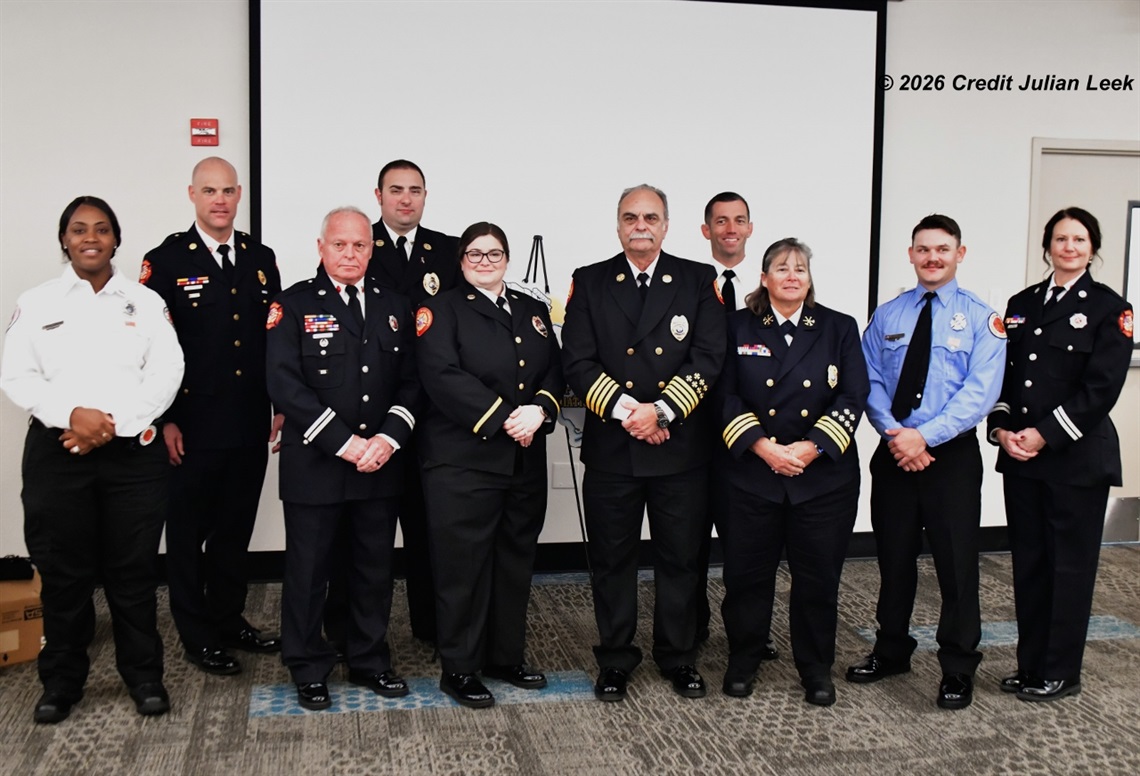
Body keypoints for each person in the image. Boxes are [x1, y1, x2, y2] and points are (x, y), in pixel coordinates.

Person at [1, 196, 184, 722]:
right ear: (65, 240)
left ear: (115, 240)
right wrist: (73, 416)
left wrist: (110, 428)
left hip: (131, 457)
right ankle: (61, 681)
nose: (90, 238)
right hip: (58, 452)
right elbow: (17, 376)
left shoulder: (145, 302)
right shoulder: (36, 302)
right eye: (79, 229)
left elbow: (167, 371)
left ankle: (144, 676)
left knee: (134, 574)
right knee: (64, 574)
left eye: (101, 229)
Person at [561, 184, 726, 702]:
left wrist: (664, 411)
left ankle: (678, 657)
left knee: (680, 558)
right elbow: (578, 362)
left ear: (666, 225)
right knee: (613, 558)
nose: (641, 225)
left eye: (650, 216)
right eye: (630, 216)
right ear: (617, 225)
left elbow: (708, 357)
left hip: (679, 446)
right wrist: (633, 413)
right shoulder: (589, 282)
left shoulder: (698, 280)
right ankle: (615, 659)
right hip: (614, 445)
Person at [850, 214, 1006, 710]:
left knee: (956, 566)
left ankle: (958, 666)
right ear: (911, 254)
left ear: (960, 254)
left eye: (942, 249)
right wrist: (896, 434)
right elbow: (866, 378)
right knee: (894, 560)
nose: (932, 257)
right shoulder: (889, 314)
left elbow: (980, 394)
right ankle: (891, 649)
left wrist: (924, 437)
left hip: (951, 455)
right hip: (894, 450)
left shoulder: (982, 319)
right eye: (923, 249)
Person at [266, 207, 419, 711]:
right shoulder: (292, 305)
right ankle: (308, 665)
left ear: (371, 249)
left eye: (359, 245)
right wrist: (344, 443)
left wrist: (388, 439)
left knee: (372, 569)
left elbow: (412, 382)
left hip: (378, 461)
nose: (350, 254)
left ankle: (369, 658)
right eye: (340, 245)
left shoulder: (395, 305)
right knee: (310, 570)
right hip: (317, 462)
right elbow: (284, 383)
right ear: (321, 247)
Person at [140, 157, 283, 676]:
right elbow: (153, 350)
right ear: (192, 195)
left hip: (247, 422)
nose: (219, 200)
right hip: (191, 426)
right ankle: (196, 635)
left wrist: (281, 402)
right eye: (209, 191)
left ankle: (228, 619)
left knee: (233, 530)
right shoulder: (166, 261)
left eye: (227, 190)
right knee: (185, 534)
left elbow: (273, 341)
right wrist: (167, 418)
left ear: (239, 194)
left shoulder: (261, 258)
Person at [413, 222, 564, 708]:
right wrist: (502, 419)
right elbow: (441, 376)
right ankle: (459, 667)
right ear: (460, 260)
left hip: (523, 459)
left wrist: (540, 409)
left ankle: (505, 656)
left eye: (493, 253)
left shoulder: (532, 309)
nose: (484, 261)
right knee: (463, 570)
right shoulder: (439, 310)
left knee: (513, 562)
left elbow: (553, 368)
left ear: (507, 257)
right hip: (463, 463)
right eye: (474, 254)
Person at [987, 207, 1132, 702]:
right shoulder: (1022, 303)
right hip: (1023, 457)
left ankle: (1060, 672)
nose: (1069, 247)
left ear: (1093, 247)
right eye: (1060, 239)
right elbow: (1005, 379)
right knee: (1029, 564)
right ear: (1046, 246)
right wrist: (1003, 428)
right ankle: (1030, 667)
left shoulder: (1110, 308)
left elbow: (1101, 389)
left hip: (1075, 458)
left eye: (1080, 239)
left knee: (1068, 568)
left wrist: (1045, 434)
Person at [717, 238, 868, 706]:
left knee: (818, 579)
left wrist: (810, 447)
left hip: (820, 477)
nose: (792, 275)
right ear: (764, 278)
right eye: (781, 268)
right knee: (746, 577)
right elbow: (723, 396)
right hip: (751, 475)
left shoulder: (838, 327)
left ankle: (816, 668)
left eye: (800, 268)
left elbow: (853, 394)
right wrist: (764, 448)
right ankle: (743, 659)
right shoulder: (736, 326)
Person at [324, 159, 460, 650]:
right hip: (366, 419)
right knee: (355, 536)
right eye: (395, 190)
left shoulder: (448, 252)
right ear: (377, 195)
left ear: (426, 196)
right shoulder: (358, 246)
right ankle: (343, 631)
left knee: (430, 531)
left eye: (415, 190)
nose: (406, 199)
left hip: (432, 417)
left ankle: (432, 626)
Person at [695, 191, 777, 662]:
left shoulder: (770, 290)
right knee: (691, 542)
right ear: (705, 230)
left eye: (739, 221)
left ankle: (751, 633)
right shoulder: (690, 284)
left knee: (747, 545)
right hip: (695, 430)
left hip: (750, 438)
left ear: (750, 228)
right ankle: (694, 627)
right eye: (720, 221)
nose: (730, 228)